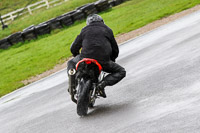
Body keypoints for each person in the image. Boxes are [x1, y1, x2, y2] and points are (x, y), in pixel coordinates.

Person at [67, 14, 126, 98]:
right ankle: (102, 84)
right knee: (121, 71)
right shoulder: (108, 30)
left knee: (71, 62)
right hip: (103, 60)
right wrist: (111, 60)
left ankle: (72, 84)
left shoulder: (84, 30)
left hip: (85, 57)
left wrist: (77, 56)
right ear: (102, 21)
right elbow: (115, 50)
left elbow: (73, 47)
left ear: (88, 23)